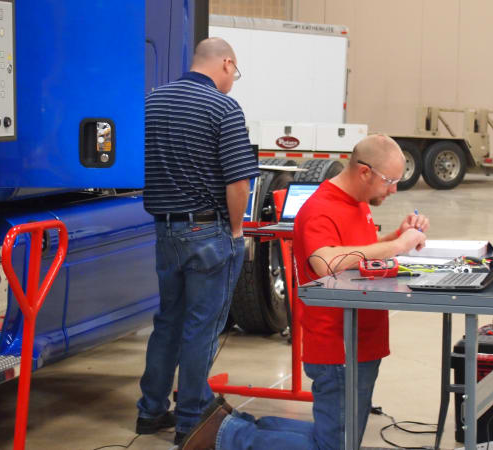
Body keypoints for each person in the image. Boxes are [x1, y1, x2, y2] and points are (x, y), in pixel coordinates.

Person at [178, 135, 429, 449]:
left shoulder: (357, 202)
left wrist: (397, 236)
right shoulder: (321, 209)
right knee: (333, 446)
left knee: (340, 440)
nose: (393, 190)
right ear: (365, 172)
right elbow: (325, 262)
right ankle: (226, 435)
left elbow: (356, 252)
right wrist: (398, 246)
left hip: (361, 339)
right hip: (338, 346)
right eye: (390, 181)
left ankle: (231, 426)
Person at [136, 37, 261, 446]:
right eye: (234, 72)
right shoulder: (223, 108)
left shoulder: (151, 102)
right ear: (225, 63)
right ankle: (191, 421)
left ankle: (150, 410)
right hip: (207, 232)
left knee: (168, 321)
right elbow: (238, 182)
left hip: (164, 230)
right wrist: (237, 231)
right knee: (201, 328)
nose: (233, 80)